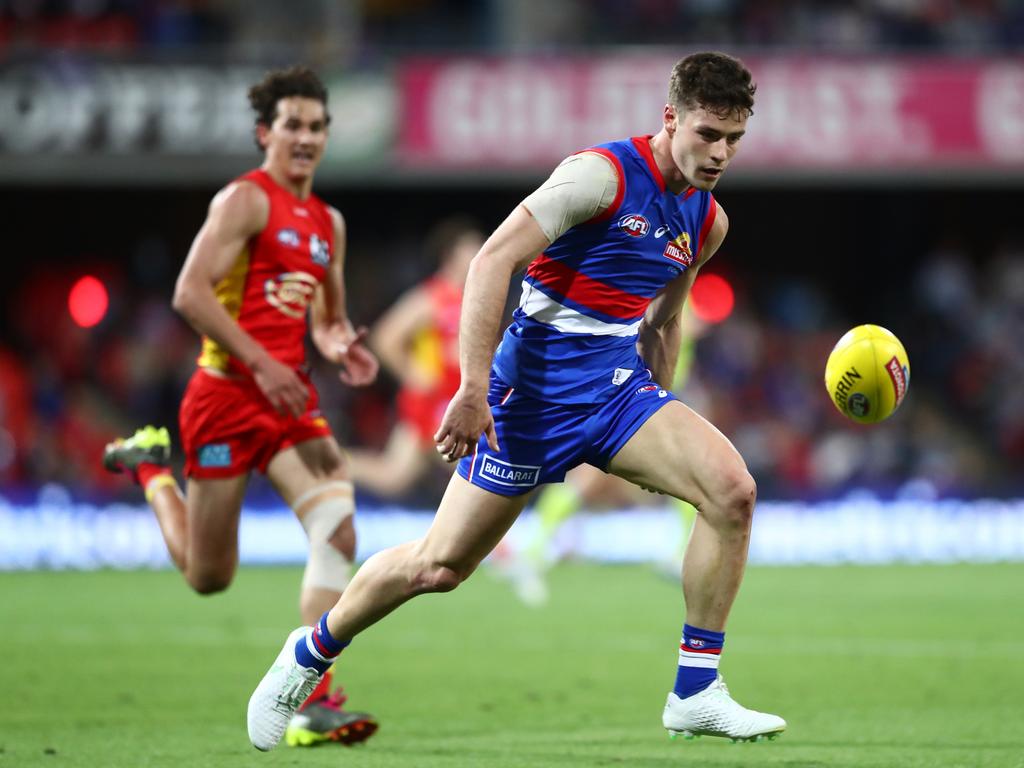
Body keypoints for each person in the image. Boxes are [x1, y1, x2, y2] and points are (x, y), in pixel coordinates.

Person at [247, 51, 786, 751]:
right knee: (437, 568)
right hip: (528, 400)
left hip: (617, 392)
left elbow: (662, 318)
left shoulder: (705, 220)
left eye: (733, 139)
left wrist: (662, 409)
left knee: (731, 492)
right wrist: (473, 389)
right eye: (708, 133)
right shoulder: (600, 176)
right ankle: (306, 656)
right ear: (671, 118)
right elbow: (491, 262)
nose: (720, 152)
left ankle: (696, 691)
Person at [103, 66, 380, 748]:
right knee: (209, 576)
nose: (306, 137)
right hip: (227, 395)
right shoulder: (244, 201)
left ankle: (310, 698)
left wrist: (341, 344)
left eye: (317, 126)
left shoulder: (327, 223)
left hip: (287, 400)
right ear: (266, 132)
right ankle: (150, 469)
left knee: (338, 525)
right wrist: (260, 361)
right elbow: (190, 293)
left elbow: (326, 317)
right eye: (292, 125)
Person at [347, 217, 484, 501]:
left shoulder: (469, 297)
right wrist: (414, 374)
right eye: (471, 250)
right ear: (450, 257)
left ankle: (332, 460)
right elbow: (385, 337)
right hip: (431, 403)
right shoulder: (431, 297)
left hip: (450, 400)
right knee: (474, 472)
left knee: (395, 475)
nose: (478, 256)